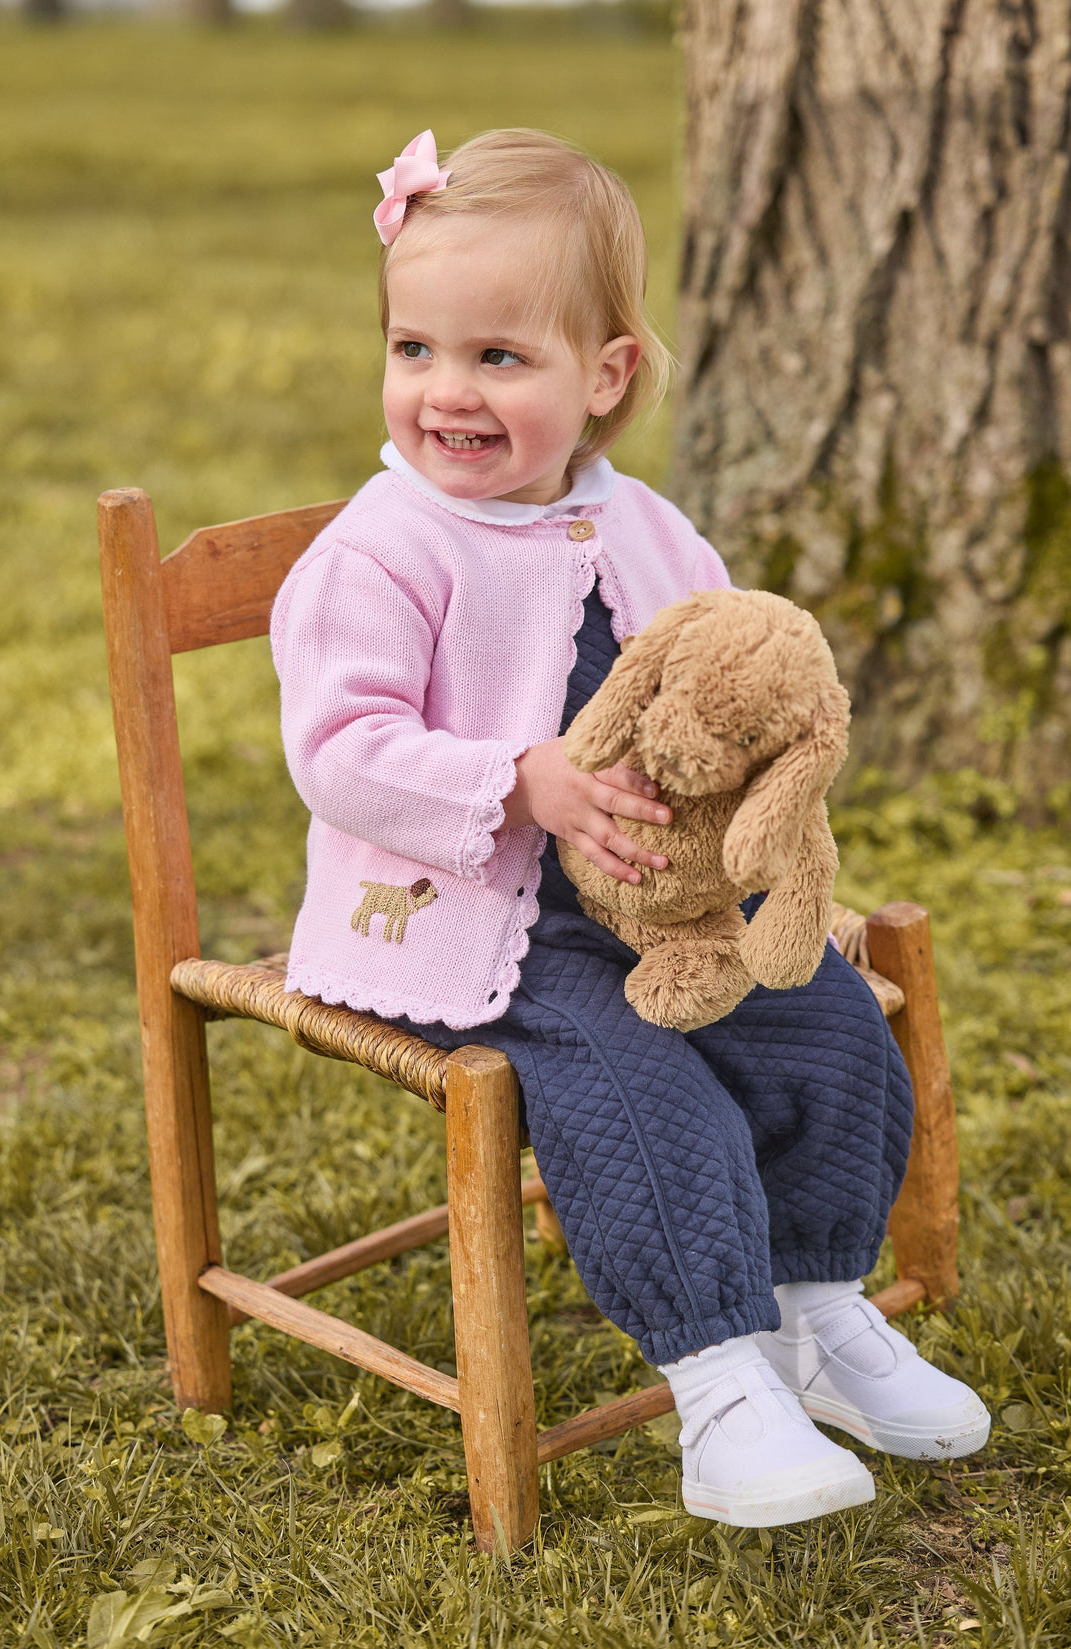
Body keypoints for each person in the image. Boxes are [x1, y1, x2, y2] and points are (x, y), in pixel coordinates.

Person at [271, 128, 990, 1529]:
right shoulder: (381, 548)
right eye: (414, 348)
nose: (445, 392)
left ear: (606, 375)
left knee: (829, 1020)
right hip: (485, 926)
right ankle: (719, 1385)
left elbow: (712, 677)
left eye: (498, 356)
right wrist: (518, 780)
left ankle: (816, 1312)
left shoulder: (645, 526)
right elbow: (340, 754)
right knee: (647, 1094)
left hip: (668, 904)